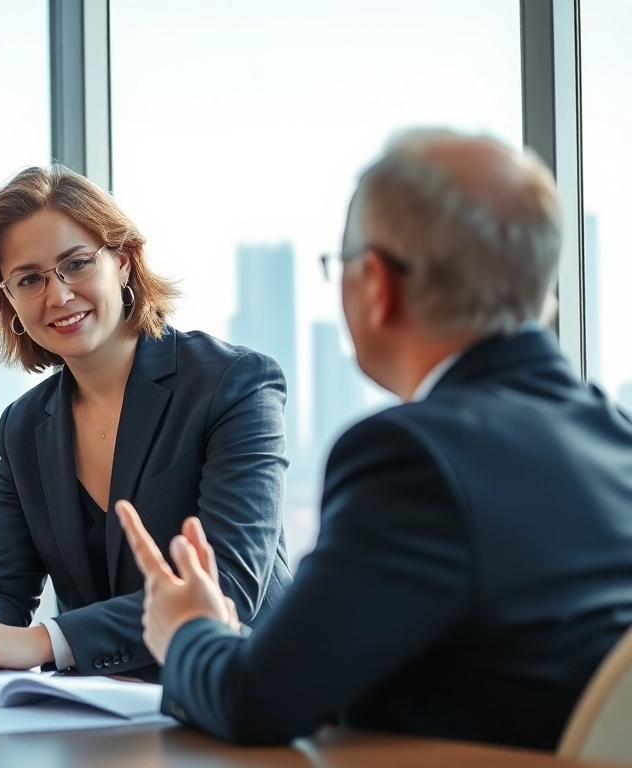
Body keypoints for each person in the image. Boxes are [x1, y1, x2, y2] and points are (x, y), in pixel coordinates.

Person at [119, 128, 632, 750]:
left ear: (378, 284)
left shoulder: (411, 458)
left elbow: (258, 703)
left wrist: (188, 633)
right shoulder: (613, 432)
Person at [0, 166, 292, 678]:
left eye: (76, 264)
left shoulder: (234, 384)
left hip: (239, 697)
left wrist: (44, 640)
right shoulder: (24, 426)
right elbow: (0, 587)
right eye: (29, 279)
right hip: (99, 717)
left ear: (123, 260)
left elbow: (228, 584)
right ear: (8, 300)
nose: (58, 296)